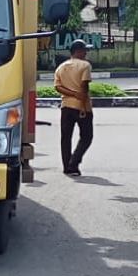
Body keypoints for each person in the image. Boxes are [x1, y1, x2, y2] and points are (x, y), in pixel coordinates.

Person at [54, 39, 93, 176]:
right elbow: (84, 86)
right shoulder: (85, 65)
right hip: (82, 107)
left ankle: (67, 167)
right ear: (79, 51)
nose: (86, 53)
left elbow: (57, 87)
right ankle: (73, 163)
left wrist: (72, 94)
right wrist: (81, 102)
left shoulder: (61, 67)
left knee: (66, 137)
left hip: (66, 107)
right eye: (85, 50)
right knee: (87, 136)